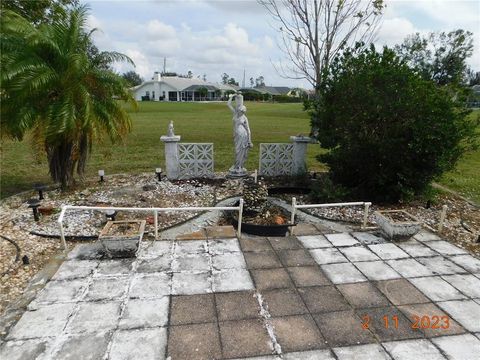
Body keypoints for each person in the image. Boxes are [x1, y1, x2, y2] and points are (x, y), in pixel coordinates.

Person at [227, 92, 252, 176]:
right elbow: (228, 104)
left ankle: (240, 166)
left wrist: (249, 140)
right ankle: (237, 165)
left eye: (243, 111)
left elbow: (248, 129)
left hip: (243, 136)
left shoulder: (244, 118)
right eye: (240, 111)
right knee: (237, 151)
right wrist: (232, 96)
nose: (241, 112)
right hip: (237, 135)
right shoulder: (235, 113)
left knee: (242, 151)